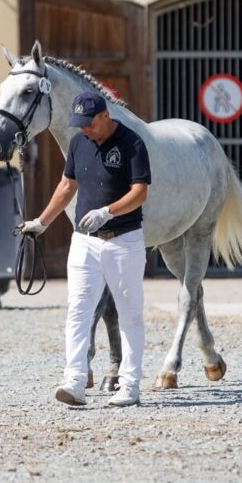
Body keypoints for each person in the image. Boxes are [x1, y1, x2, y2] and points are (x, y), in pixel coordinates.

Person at [18, 91, 151, 407]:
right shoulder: (79, 143)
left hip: (124, 241)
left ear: (105, 116)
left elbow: (140, 192)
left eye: (88, 124)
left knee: (130, 313)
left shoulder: (132, 143)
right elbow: (67, 186)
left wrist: (108, 211)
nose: (83, 130)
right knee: (78, 310)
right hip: (85, 242)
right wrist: (42, 222)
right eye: (79, 125)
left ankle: (130, 385)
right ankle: (75, 381)